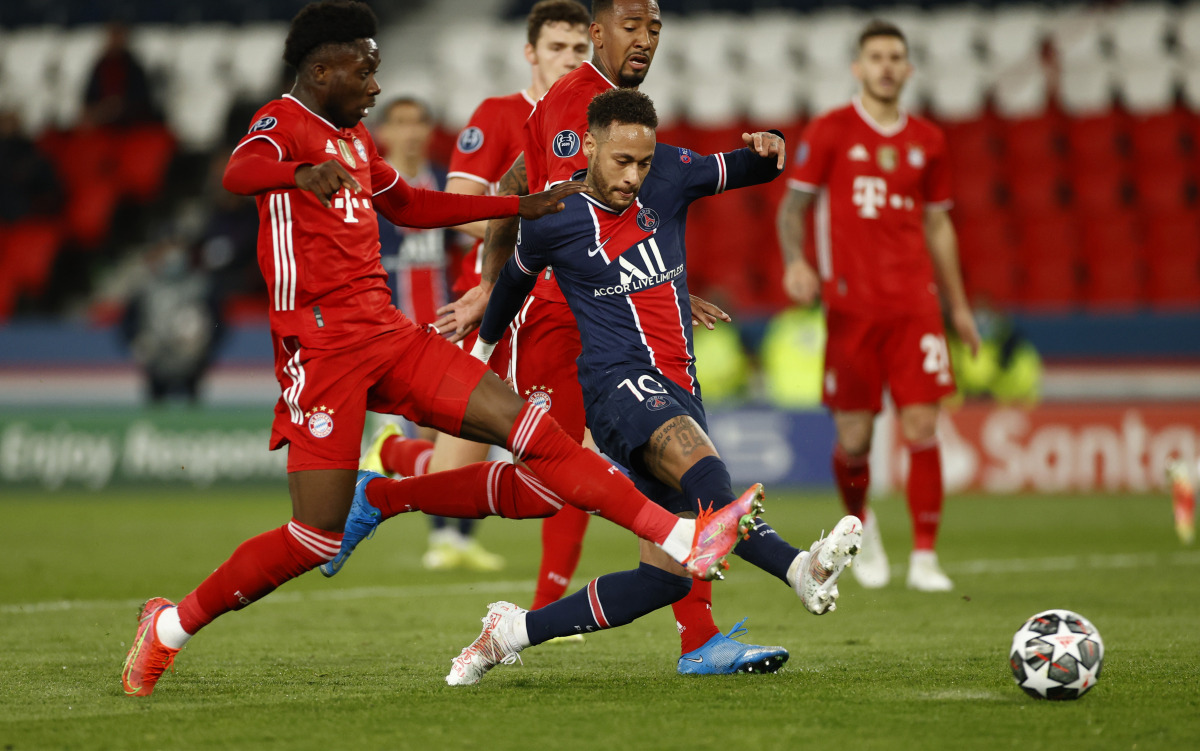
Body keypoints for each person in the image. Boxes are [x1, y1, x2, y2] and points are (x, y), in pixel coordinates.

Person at [119, 0, 749, 698]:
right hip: (321, 351)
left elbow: (413, 205)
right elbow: (240, 171)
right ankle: (170, 626)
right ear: (321, 69)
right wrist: (296, 175)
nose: (376, 86)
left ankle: (682, 536)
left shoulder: (357, 143)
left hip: (387, 334)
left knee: (531, 429)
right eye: (365, 70)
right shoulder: (283, 124)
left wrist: (519, 208)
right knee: (315, 536)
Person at [444, 88, 863, 686]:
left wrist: (771, 148)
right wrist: (482, 351)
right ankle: (800, 566)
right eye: (622, 161)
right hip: (616, 386)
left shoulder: (671, 172)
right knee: (705, 475)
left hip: (676, 384)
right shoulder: (554, 216)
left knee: (662, 578)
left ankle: (509, 632)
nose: (635, 176)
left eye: (644, 162)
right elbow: (511, 282)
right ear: (588, 145)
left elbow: (753, 167)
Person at [429, 0, 783, 676]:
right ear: (595, 36)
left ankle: (686, 635)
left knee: (624, 485)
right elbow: (560, 211)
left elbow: (521, 192)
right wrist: (492, 283)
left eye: (655, 27)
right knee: (560, 481)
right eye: (631, 27)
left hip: (595, 310)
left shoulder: (598, 103)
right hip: (570, 314)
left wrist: (663, 284)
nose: (645, 39)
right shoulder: (583, 104)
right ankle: (393, 491)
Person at [355, 0, 592, 575]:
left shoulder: (597, 117)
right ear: (530, 53)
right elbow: (457, 204)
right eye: (557, 48)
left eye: (580, 49)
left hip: (565, 306)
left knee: (570, 460)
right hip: (500, 303)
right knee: (479, 470)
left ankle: (546, 610)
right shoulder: (499, 114)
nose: (569, 59)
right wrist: (537, 233)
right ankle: (392, 455)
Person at [774, 20, 981, 593]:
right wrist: (796, 262)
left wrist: (958, 307)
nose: (887, 66)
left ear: (909, 69)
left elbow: (939, 225)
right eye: (876, 57)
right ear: (858, 68)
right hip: (851, 310)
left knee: (921, 425)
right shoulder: (832, 130)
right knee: (856, 440)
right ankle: (861, 527)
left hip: (916, 305)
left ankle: (924, 556)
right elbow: (792, 210)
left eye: (896, 57)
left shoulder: (929, 140)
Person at [368, 95, 506, 572]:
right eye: (400, 122)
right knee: (434, 428)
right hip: (394, 330)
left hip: (447, 323)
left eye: (419, 122)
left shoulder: (443, 183)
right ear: (382, 132)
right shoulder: (368, 189)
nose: (410, 132)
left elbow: (470, 245)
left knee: (472, 429)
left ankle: (458, 536)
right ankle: (442, 533)